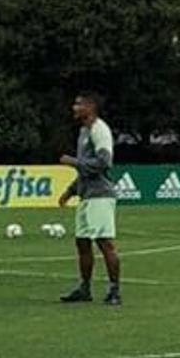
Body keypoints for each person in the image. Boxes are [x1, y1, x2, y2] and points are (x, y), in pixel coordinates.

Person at [58, 92, 120, 306]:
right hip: (87, 196)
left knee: (105, 243)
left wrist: (73, 162)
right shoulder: (84, 131)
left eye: (78, 104)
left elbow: (104, 163)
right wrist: (70, 191)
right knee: (82, 243)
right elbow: (86, 169)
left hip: (100, 196)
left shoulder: (99, 130)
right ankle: (84, 288)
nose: (74, 107)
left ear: (90, 107)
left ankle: (114, 291)